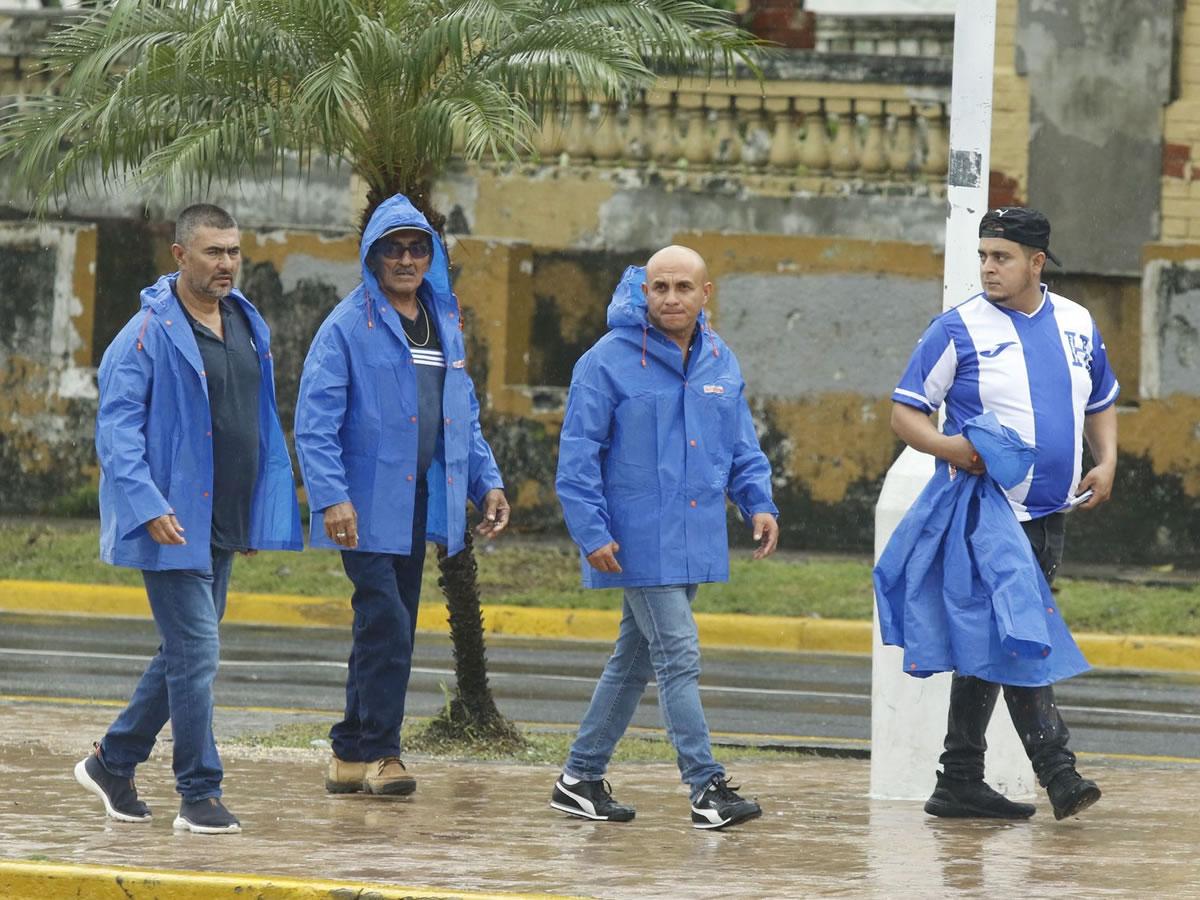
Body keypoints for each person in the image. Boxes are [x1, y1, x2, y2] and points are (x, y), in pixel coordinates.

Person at [76, 204, 303, 834]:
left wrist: (253, 511)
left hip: (221, 520)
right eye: (213, 252)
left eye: (233, 251)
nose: (227, 263)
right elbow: (117, 434)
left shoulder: (244, 322)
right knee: (198, 653)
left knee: (181, 655)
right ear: (180, 255)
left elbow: (254, 422)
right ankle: (199, 792)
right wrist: (149, 507)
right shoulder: (145, 335)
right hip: (170, 522)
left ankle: (112, 762)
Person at [889, 206, 1118, 820]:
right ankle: (1058, 771)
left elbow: (1100, 398)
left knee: (993, 638)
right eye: (984, 256)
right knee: (1019, 634)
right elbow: (906, 412)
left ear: (1036, 262)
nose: (988, 267)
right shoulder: (956, 328)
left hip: (1051, 512)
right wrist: (950, 449)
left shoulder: (1076, 321)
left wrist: (1108, 459)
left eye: (1002, 257)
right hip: (988, 514)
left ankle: (958, 775)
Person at [551, 246, 780, 830]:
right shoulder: (604, 362)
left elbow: (740, 445)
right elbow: (577, 460)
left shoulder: (720, 360)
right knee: (678, 654)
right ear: (643, 293)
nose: (671, 298)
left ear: (707, 294)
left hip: (694, 535)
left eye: (683, 287)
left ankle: (579, 777)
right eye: (660, 287)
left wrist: (758, 503)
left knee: (633, 661)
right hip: (634, 540)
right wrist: (591, 533)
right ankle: (706, 788)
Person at [294, 194, 509, 798]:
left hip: (419, 503)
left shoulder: (444, 323)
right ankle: (384, 754)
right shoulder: (345, 327)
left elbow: (458, 417)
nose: (407, 259)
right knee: (385, 616)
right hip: (361, 507)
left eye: (418, 249)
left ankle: (347, 752)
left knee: (387, 623)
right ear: (373, 255)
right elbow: (315, 423)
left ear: (431, 256)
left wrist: (485, 482)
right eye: (395, 248)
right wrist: (332, 497)